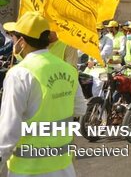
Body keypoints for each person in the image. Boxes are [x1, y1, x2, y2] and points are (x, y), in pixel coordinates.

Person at [0, 11, 86, 176]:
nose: (12, 40)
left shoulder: (19, 73)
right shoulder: (67, 69)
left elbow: (8, 131)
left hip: (28, 169)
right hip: (63, 167)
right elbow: (80, 109)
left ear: (22, 41)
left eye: (13, 36)